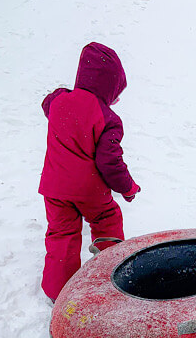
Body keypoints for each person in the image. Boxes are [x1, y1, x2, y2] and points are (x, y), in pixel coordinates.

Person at [39, 42, 141, 301]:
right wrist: (127, 188)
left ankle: (59, 294)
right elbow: (110, 163)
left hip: (54, 188)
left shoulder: (59, 102)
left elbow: (47, 102)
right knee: (107, 219)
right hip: (88, 190)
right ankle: (111, 276)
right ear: (109, 88)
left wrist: (64, 93)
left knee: (61, 235)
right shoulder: (108, 118)